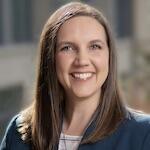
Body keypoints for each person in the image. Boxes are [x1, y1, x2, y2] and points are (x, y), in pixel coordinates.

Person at [1, 2, 150, 150]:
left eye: (94, 46)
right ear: (50, 58)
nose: (82, 61)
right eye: (67, 48)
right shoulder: (18, 133)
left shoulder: (143, 134)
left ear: (109, 57)